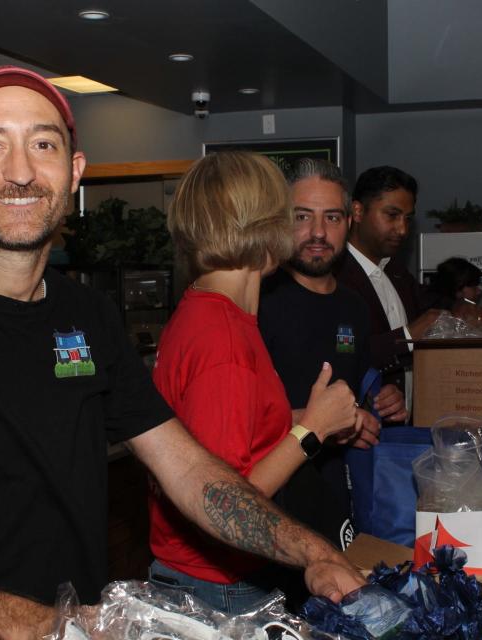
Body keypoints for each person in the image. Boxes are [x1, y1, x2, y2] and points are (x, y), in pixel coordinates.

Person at [0, 66, 364, 640]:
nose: (20, 171)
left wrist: (311, 552)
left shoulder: (88, 315)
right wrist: (50, 628)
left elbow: (189, 470)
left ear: (74, 171)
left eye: (43, 144)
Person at [147, 151, 362, 614]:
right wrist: (312, 431)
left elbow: (226, 434)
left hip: (218, 574)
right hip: (218, 582)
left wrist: (300, 417)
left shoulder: (215, 311)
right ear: (263, 225)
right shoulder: (222, 339)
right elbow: (227, 504)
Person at [259, 158, 407, 555]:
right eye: (302, 216)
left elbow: (356, 392)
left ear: (349, 222)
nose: (318, 233)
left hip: (337, 503)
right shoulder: (256, 301)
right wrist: (329, 424)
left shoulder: (354, 307)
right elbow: (238, 424)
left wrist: (380, 402)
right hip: (269, 509)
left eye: (332, 218)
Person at [333, 166, 440, 399]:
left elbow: (432, 305)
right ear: (358, 211)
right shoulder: (335, 277)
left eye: (408, 219)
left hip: (406, 426)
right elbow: (342, 354)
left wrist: (463, 305)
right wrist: (407, 337)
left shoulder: (396, 271)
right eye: (392, 215)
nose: (402, 230)